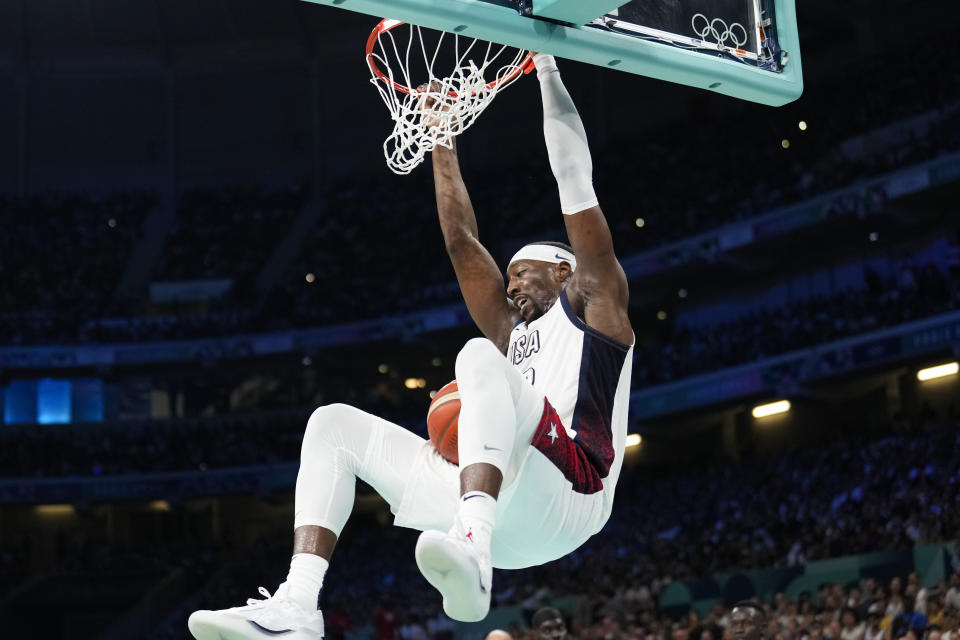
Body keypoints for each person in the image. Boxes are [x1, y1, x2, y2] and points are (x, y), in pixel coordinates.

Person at [186, 53, 633, 639]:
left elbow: (574, 178)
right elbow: (460, 239)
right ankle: (297, 607)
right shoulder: (512, 332)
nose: (512, 280)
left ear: (565, 271)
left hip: (572, 493)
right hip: (506, 510)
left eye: (524, 271)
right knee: (332, 425)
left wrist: (548, 70)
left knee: (476, 357)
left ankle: (471, 542)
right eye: (510, 273)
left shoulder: (596, 303)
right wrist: (442, 138)